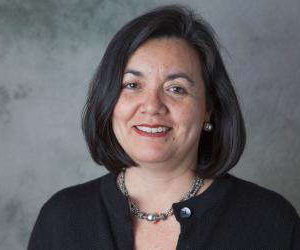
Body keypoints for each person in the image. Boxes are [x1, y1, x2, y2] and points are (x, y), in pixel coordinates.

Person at [28, 5, 300, 250]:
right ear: (108, 100)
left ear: (209, 107)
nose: (152, 105)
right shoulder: (62, 218)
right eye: (132, 85)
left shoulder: (271, 222)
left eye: (176, 89)